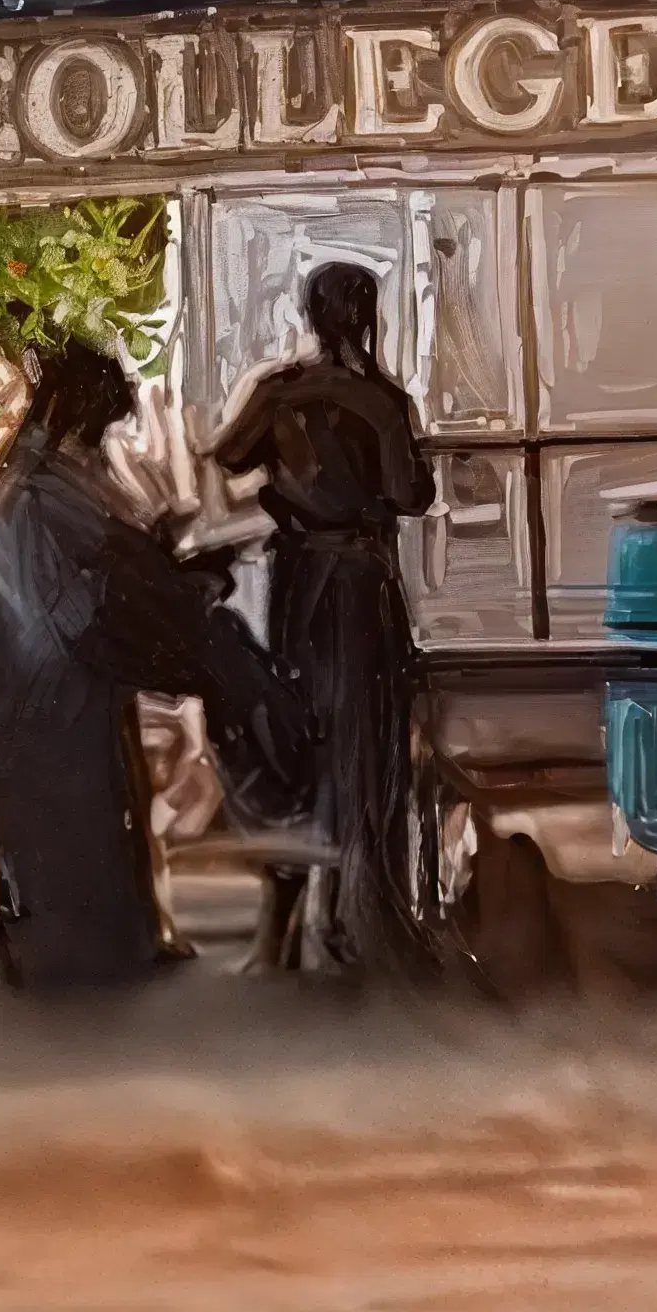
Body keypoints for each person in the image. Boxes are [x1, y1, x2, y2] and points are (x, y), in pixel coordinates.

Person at [0, 340, 209, 991]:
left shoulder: (34, 480)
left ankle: (106, 938)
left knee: (90, 809)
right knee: (76, 815)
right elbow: (101, 571)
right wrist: (164, 560)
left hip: (55, 682)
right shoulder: (46, 491)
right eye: (103, 422)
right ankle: (89, 946)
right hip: (55, 687)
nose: (108, 438)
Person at [208, 263, 434, 981]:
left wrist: (286, 493)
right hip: (364, 585)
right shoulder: (385, 401)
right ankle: (354, 912)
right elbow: (411, 495)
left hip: (301, 585)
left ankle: (306, 912)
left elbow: (227, 456)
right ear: (368, 315)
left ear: (309, 314)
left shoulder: (279, 392)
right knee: (366, 743)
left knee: (309, 732)